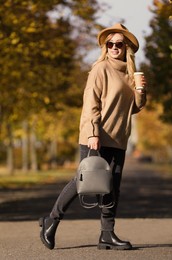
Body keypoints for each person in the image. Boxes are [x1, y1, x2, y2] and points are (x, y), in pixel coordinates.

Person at [39, 23, 147, 250]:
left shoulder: (129, 73)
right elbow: (91, 104)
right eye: (110, 44)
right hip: (97, 135)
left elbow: (134, 108)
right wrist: (92, 133)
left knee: (112, 187)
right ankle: (52, 220)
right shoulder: (100, 69)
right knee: (82, 182)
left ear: (126, 46)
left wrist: (140, 90)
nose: (115, 47)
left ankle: (107, 235)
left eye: (119, 43)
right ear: (105, 47)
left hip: (118, 138)